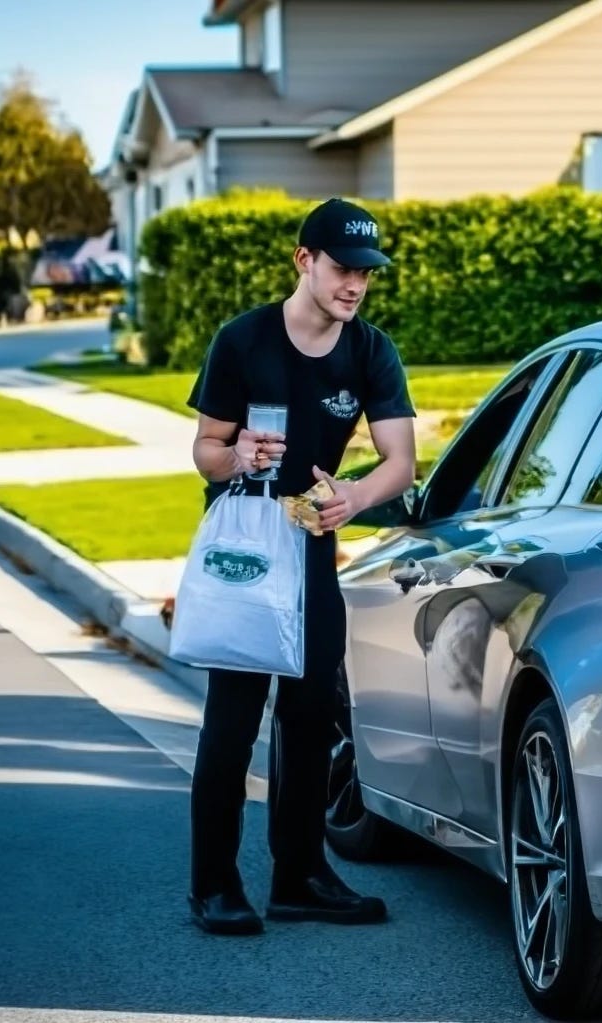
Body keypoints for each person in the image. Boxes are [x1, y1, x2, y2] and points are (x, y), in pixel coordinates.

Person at [186, 197, 417, 935]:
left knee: (313, 710)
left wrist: (356, 495)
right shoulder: (243, 341)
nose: (355, 285)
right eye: (343, 268)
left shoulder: (370, 350)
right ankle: (213, 884)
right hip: (249, 542)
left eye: (366, 273)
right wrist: (237, 456)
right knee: (234, 715)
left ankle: (299, 875)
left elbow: (400, 462)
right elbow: (205, 450)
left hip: (311, 537)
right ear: (304, 261)